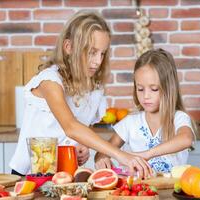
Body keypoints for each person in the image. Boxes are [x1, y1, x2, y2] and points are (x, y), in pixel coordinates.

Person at [9, 11, 152, 177]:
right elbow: (70, 126)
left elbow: (82, 130)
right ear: (69, 47)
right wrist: (122, 155)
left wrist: (82, 146)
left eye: (102, 53)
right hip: (28, 175)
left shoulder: (94, 89)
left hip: (65, 177)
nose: (98, 61)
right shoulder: (49, 80)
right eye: (92, 52)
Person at [95, 49, 196, 173]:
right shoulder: (130, 122)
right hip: (138, 191)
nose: (146, 96)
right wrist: (102, 159)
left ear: (169, 88)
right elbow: (101, 153)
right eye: (140, 89)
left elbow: (186, 139)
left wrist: (147, 154)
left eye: (154, 89)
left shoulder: (179, 118)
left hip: (171, 191)